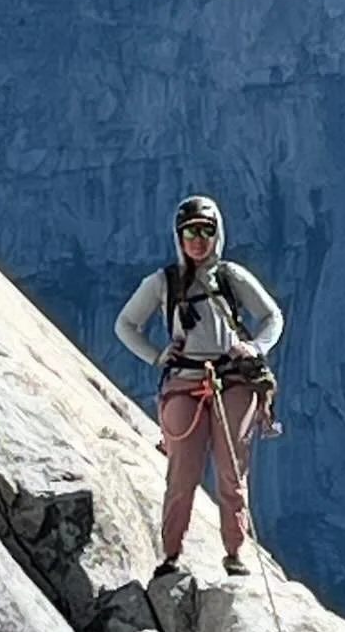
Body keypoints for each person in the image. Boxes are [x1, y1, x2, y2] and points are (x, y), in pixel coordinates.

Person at [115, 194, 283, 578]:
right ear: (179, 235)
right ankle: (171, 556)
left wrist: (254, 347)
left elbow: (272, 316)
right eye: (190, 231)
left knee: (231, 470)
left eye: (206, 231)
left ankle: (235, 553)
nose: (197, 239)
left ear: (217, 233)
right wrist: (158, 357)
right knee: (182, 472)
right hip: (185, 380)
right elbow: (125, 324)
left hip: (233, 381)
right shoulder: (163, 282)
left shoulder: (231, 277)